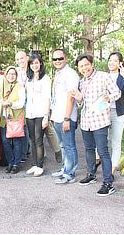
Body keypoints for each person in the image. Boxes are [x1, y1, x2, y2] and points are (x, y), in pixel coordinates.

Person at [72, 54, 121, 196]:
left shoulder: (103, 76)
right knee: (88, 149)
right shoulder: (82, 82)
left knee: (103, 151)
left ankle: (108, 183)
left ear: (91, 64)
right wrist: (79, 99)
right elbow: (82, 104)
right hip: (86, 121)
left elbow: (117, 92)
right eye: (81, 66)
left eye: (86, 64)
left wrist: (109, 97)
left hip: (100, 121)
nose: (84, 68)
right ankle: (91, 174)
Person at [50, 49, 80, 184]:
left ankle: (70, 174)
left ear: (65, 58)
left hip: (66, 117)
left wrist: (67, 118)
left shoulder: (71, 74)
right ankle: (65, 168)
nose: (57, 61)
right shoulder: (58, 74)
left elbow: (71, 97)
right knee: (62, 145)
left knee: (69, 146)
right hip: (57, 116)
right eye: (55, 59)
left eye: (60, 58)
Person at [107, 52, 124, 173]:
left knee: (116, 141)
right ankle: (100, 162)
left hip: (118, 113)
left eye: (115, 60)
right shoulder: (103, 77)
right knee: (103, 139)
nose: (111, 62)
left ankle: (112, 169)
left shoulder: (122, 78)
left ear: (120, 64)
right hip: (104, 113)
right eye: (110, 60)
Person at [24, 53, 51, 177]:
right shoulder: (28, 78)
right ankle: (34, 164)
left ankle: (40, 166)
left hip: (41, 113)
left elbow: (47, 98)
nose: (34, 65)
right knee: (32, 140)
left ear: (40, 63)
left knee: (39, 140)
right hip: (29, 112)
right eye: (32, 63)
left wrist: (46, 116)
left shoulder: (45, 78)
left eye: (36, 63)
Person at [0, 66, 25, 174]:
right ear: (6, 75)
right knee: (5, 141)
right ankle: (11, 162)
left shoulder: (20, 87)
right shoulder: (1, 85)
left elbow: (21, 103)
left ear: (16, 76)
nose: (11, 76)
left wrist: (10, 104)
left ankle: (17, 163)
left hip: (15, 117)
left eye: (13, 74)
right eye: (9, 74)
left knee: (17, 142)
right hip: (4, 118)